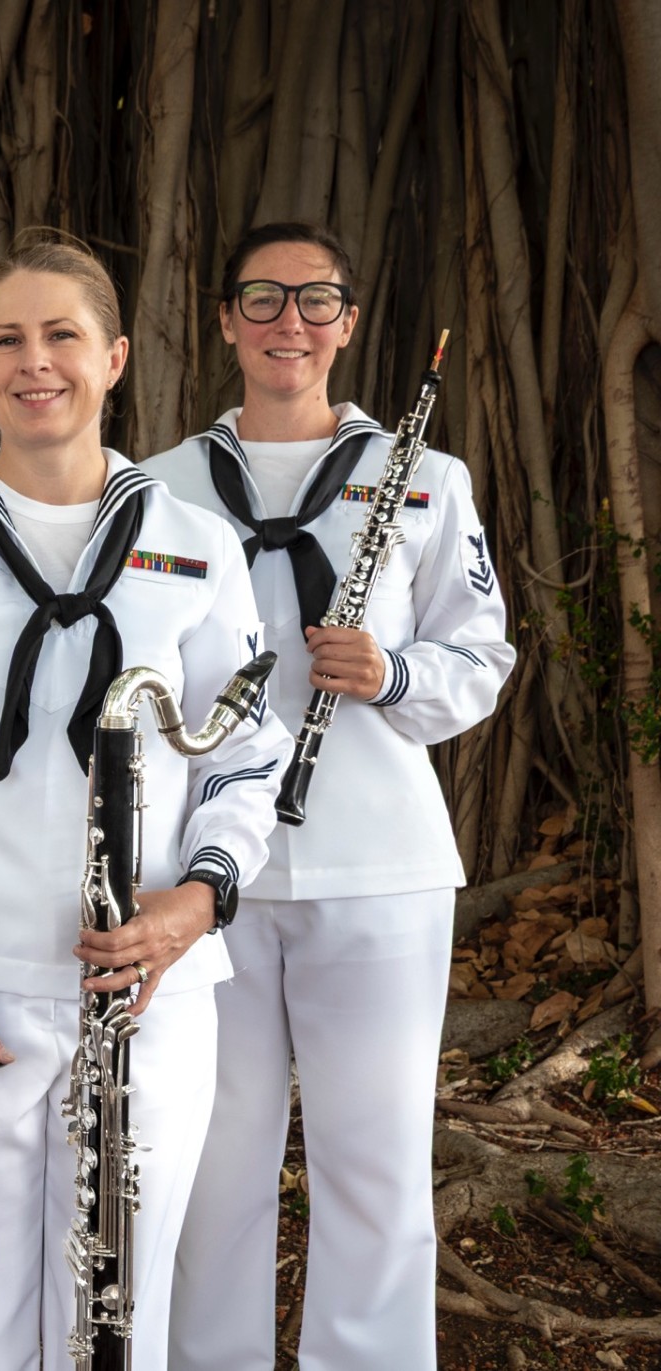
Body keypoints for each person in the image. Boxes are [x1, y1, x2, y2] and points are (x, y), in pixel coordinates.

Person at [0, 235, 292, 1371]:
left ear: (115, 357)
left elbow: (247, 749)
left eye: (62, 335)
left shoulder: (193, 542)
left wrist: (201, 902)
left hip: (145, 995)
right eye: (7, 340)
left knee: (119, 1329)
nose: (37, 364)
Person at [144, 223, 513, 1371]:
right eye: (261, 298)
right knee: (213, 1160)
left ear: (348, 323)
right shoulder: (155, 489)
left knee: (375, 1161)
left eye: (316, 301)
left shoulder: (427, 479)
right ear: (224, 319)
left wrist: (392, 673)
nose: (288, 322)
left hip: (381, 865)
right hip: (210, 877)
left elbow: (482, 655)